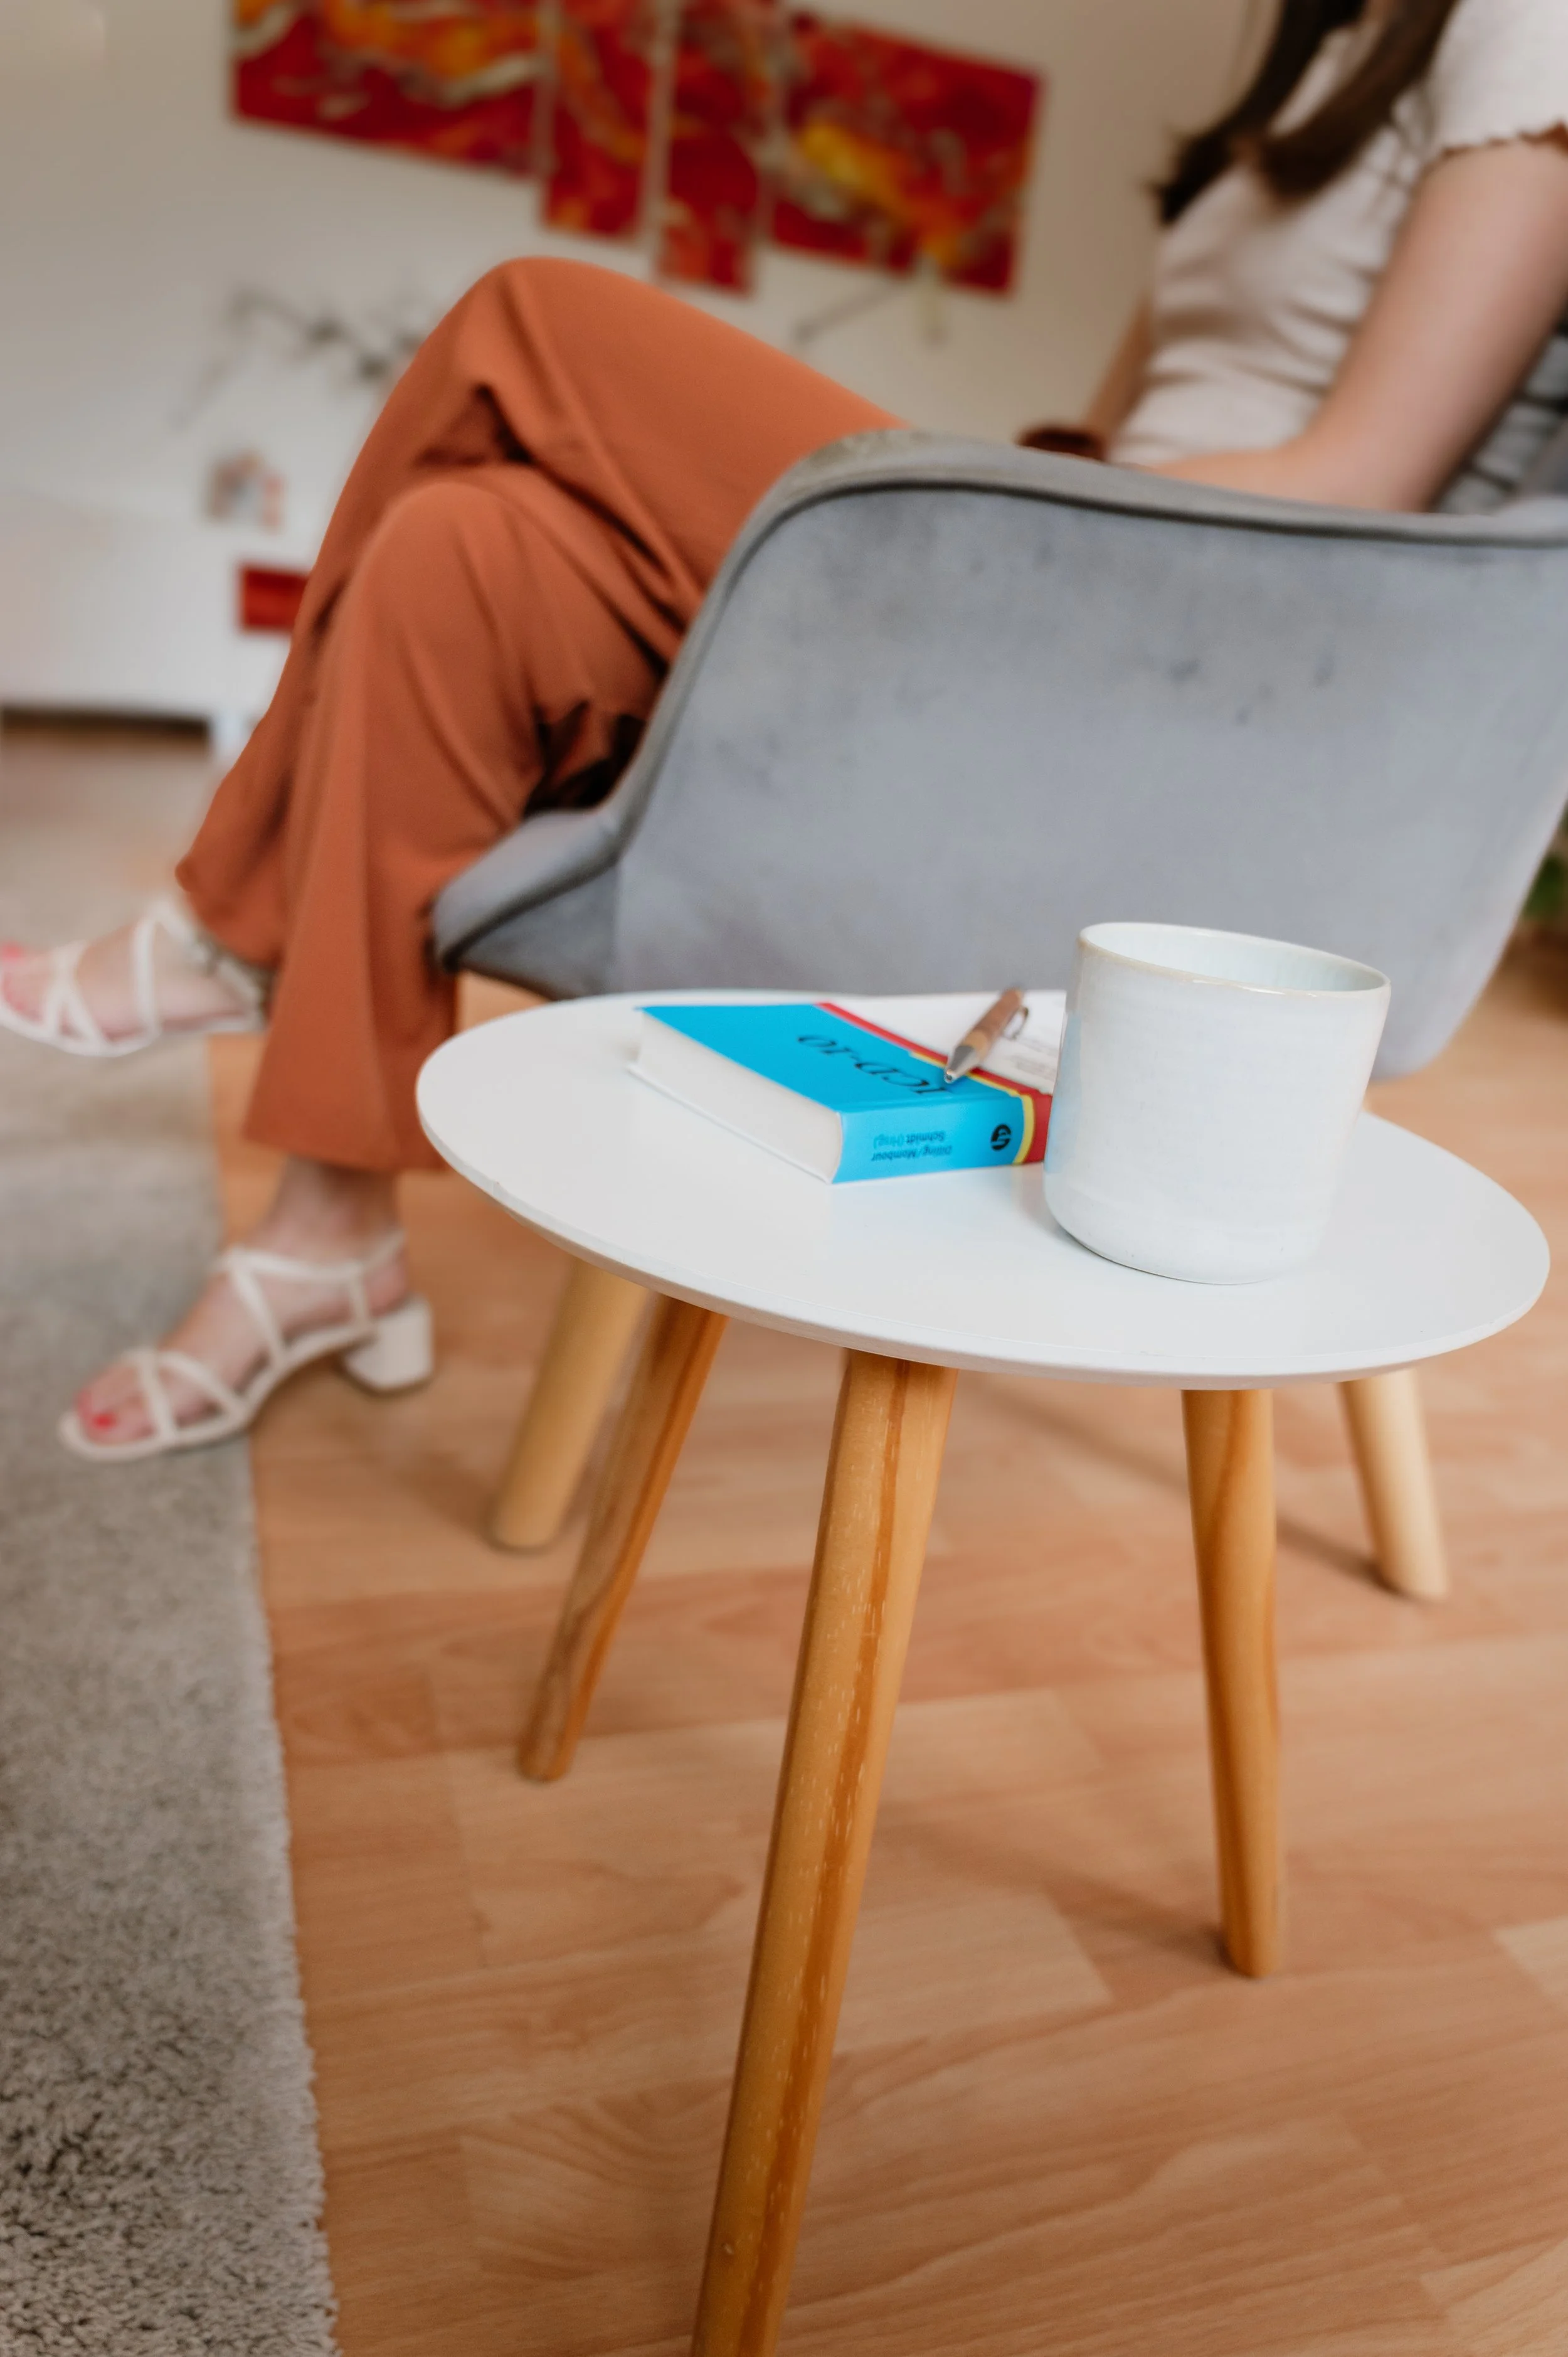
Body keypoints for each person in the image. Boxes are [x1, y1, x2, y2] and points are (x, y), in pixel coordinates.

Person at [4, 0, 1567, 1459]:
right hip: (1096, 586)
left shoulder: (1523, 27)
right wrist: (993, 483)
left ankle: (229, 920)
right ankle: (325, 1239)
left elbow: (1364, 476)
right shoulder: (1319, 46)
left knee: (530, 316)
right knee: (457, 553)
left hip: (1190, 680)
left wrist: (980, 508)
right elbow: (1114, 427)